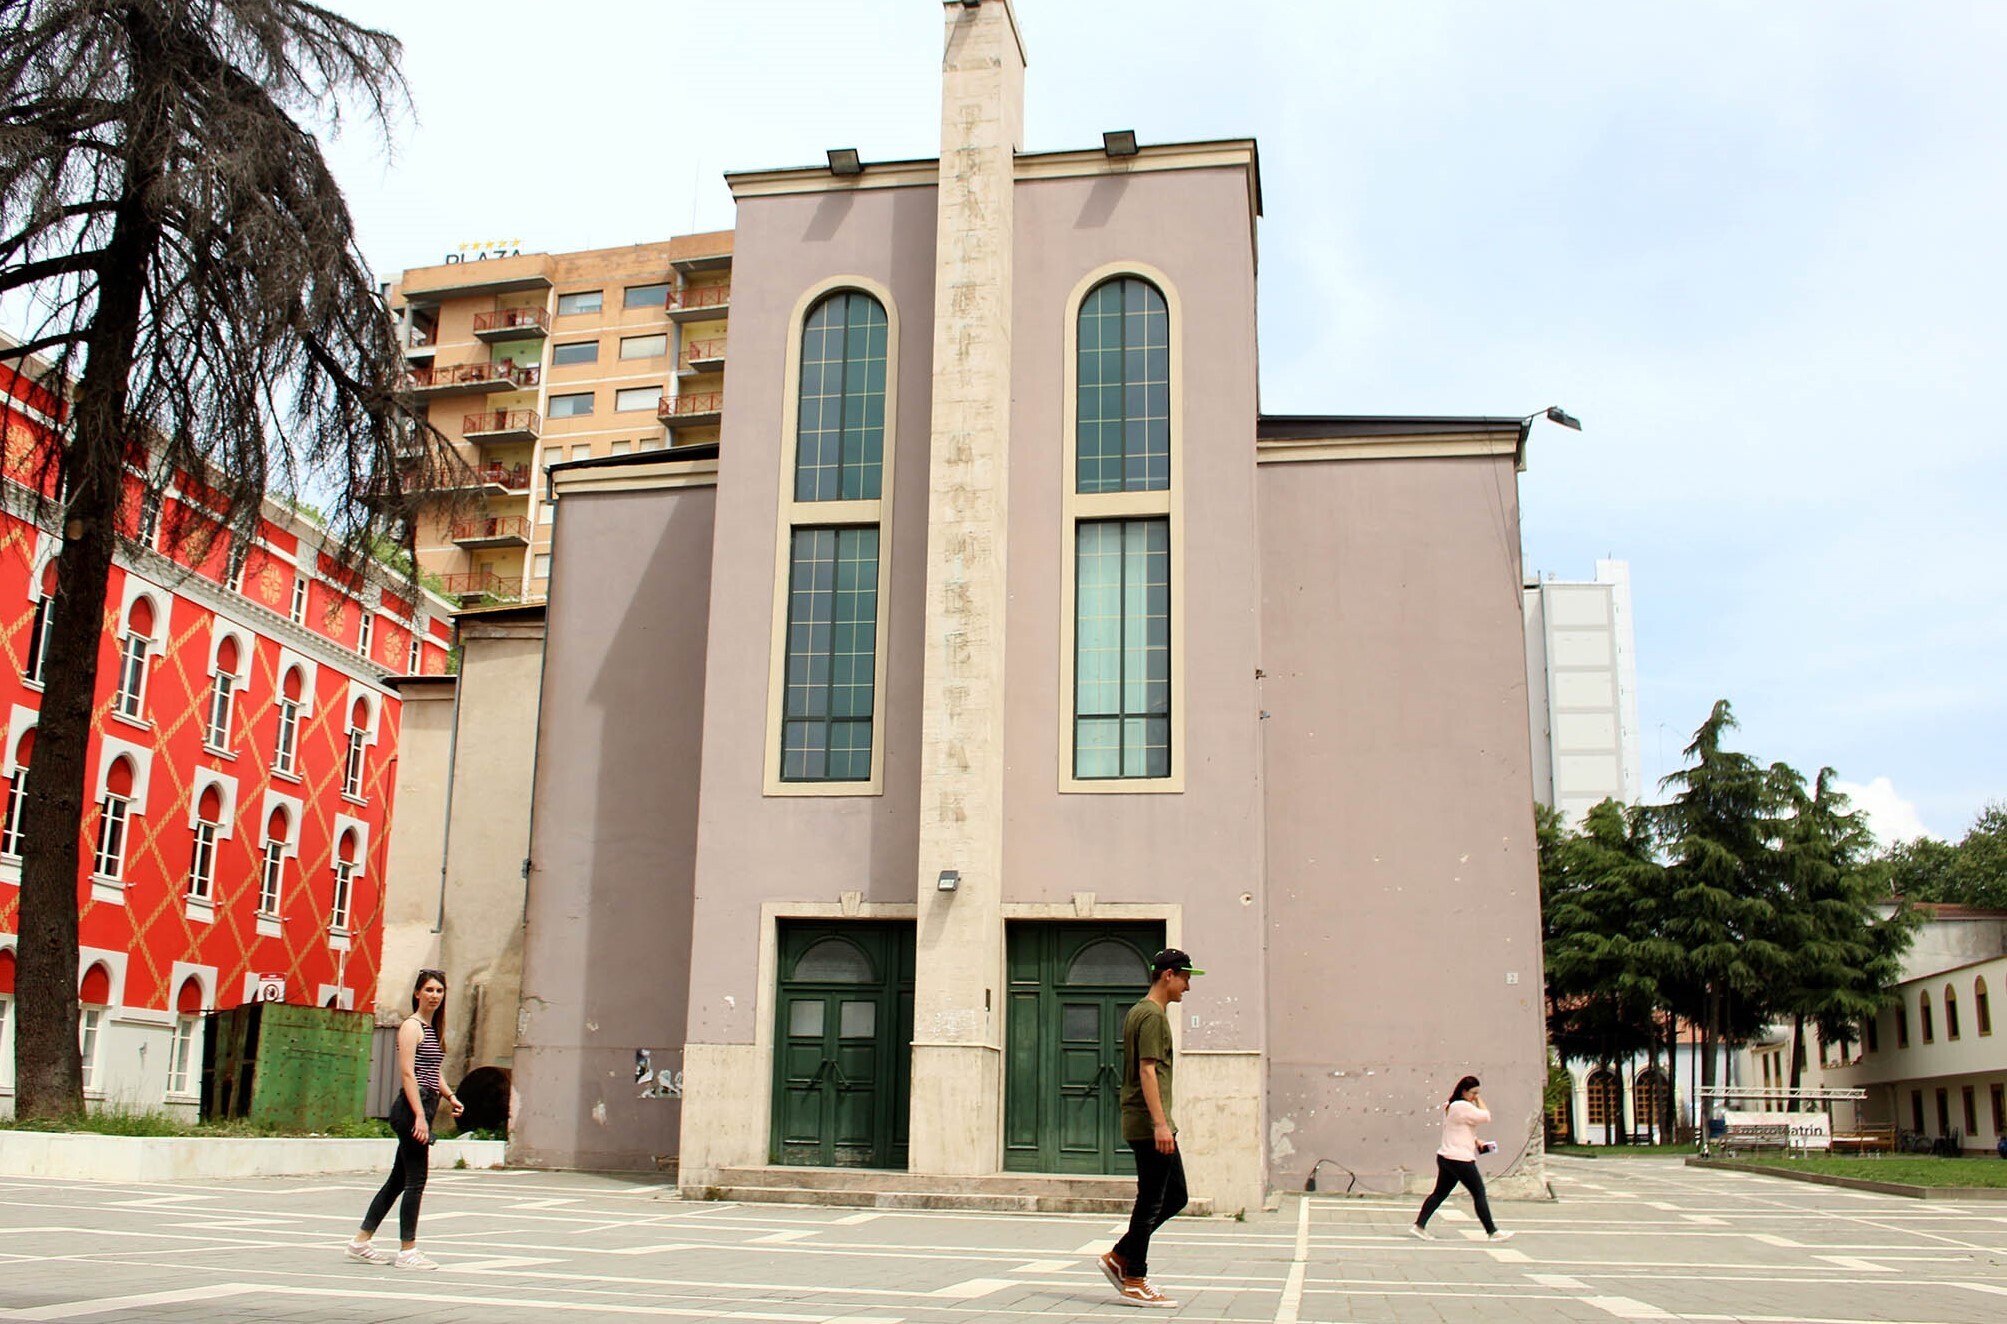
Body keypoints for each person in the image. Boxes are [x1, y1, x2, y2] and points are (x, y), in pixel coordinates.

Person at [1096, 948, 1204, 1308]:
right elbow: (1147, 1070)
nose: (1187, 987)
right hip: (1149, 1122)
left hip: (1151, 1121)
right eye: (1186, 978)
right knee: (1152, 1200)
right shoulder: (1152, 1017)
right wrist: (1160, 1124)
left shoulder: (1140, 1012)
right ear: (1168, 975)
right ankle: (1135, 1278)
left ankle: (1120, 1256)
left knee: (1175, 1196)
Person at [347, 969, 463, 1269]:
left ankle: (360, 1241)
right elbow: (409, 1074)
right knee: (416, 1181)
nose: (434, 996)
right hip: (412, 1108)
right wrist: (420, 1119)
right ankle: (407, 1251)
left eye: (439, 991)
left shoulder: (431, 1027)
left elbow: (433, 1072)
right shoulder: (411, 1027)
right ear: (417, 993)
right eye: (429, 990)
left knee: (398, 1180)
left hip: (424, 1104)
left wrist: (450, 1096)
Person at [1410, 1074, 1510, 1241]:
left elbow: (1458, 1128)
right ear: (1464, 1091)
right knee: (1478, 1192)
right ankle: (1492, 1231)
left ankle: (1419, 1225)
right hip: (1460, 1159)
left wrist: (1475, 1140)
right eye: (1473, 1093)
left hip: (1446, 1156)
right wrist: (1480, 1101)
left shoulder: (1451, 1106)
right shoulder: (1462, 1106)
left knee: (1439, 1193)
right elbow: (1486, 1116)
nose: (1475, 1096)